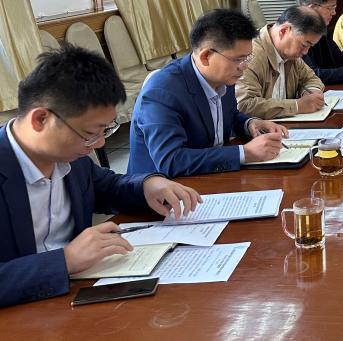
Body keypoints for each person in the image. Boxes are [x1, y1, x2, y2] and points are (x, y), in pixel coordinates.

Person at [0, 46, 200, 308]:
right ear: (40, 119)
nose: (98, 144)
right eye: (90, 133)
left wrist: (148, 185)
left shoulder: (70, 156)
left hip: (83, 294)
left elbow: (107, 186)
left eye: (105, 130)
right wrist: (64, 261)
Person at [128, 9, 289, 177]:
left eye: (247, 58)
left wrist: (249, 124)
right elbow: (172, 161)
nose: (244, 66)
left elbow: (226, 116)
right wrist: (245, 153)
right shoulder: (162, 92)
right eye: (238, 59)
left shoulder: (223, 76)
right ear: (205, 56)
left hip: (207, 177)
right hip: (163, 187)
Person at [237, 5, 326, 119]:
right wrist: (297, 106)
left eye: (310, 46)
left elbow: (311, 78)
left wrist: (312, 92)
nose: (305, 52)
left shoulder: (291, 55)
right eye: (304, 45)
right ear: (284, 31)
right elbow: (245, 105)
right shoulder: (250, 55)